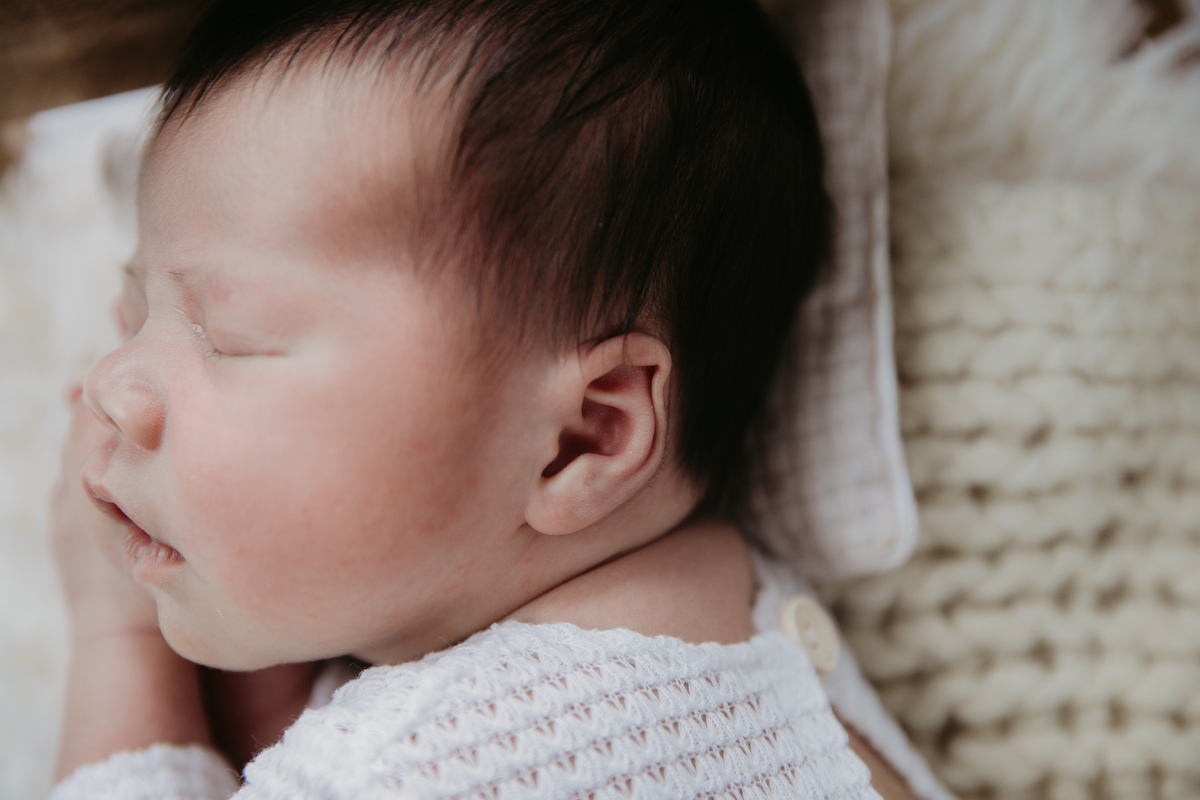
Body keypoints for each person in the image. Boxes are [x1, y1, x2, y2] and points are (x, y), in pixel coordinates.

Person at [46, 1, 944, 797]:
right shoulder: (722, 610)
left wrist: (119, 645)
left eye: (229, 335)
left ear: (581, 440)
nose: (110, 386)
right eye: (135, 313)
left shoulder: (390, 771)